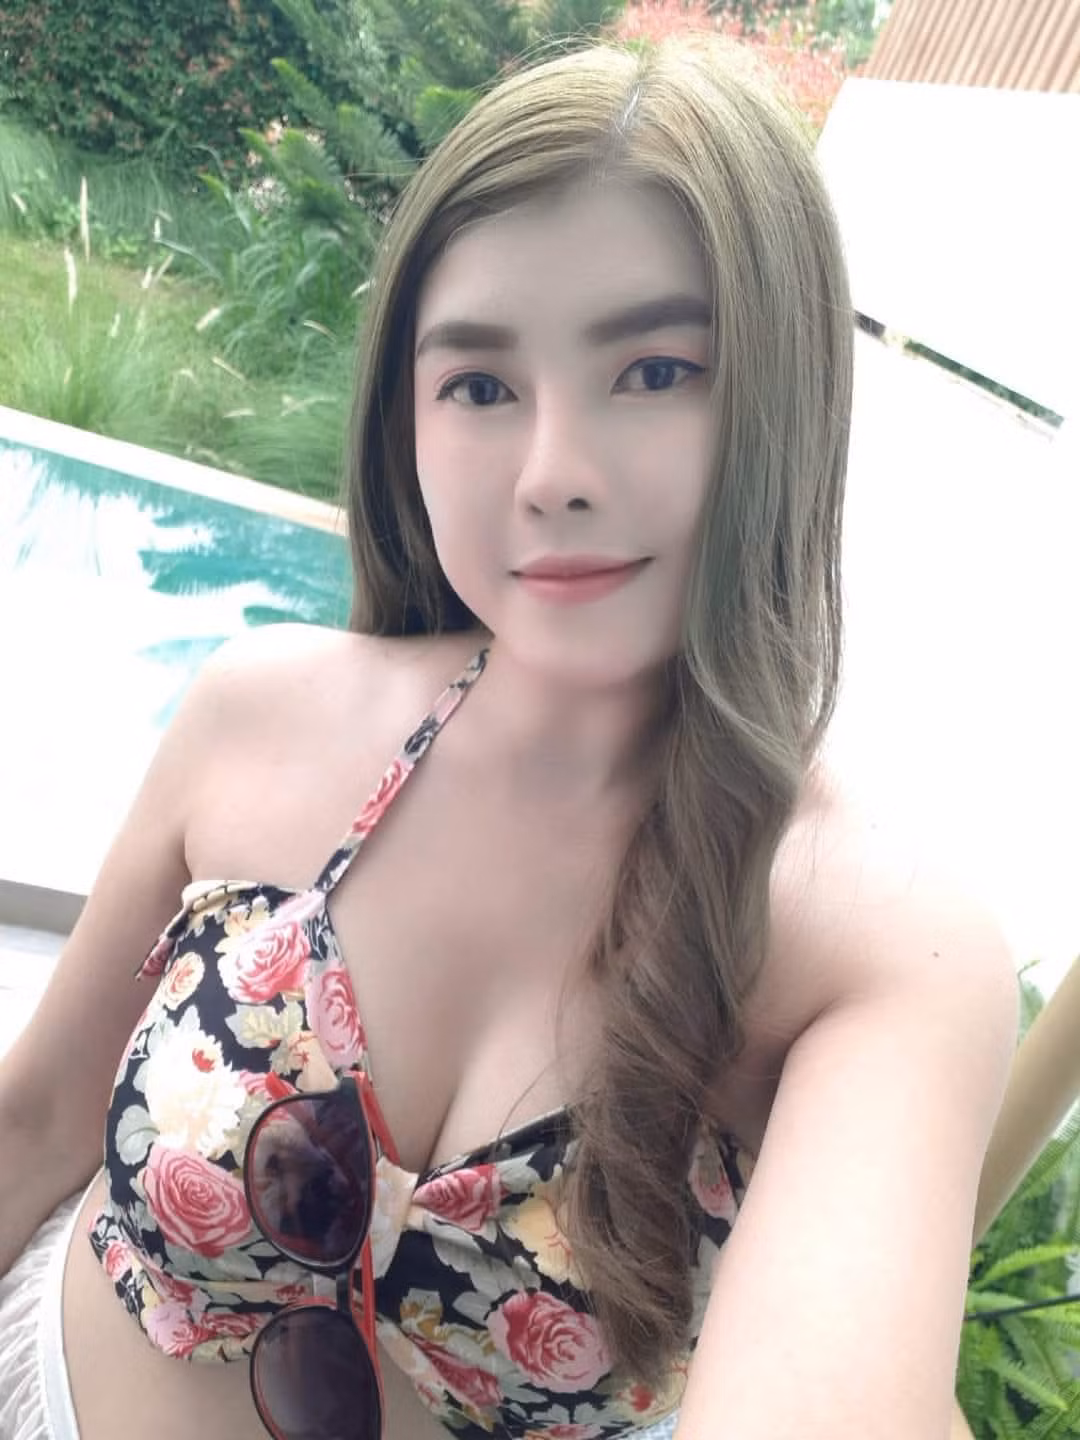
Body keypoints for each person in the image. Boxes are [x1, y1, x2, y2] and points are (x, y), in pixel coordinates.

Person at [0, 32, 1018, 1440]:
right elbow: (36, 1126)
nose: (555, 476)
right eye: (480, 386)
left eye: (655, 370)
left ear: (785, 398)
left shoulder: (876, 949)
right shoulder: (261, 713)